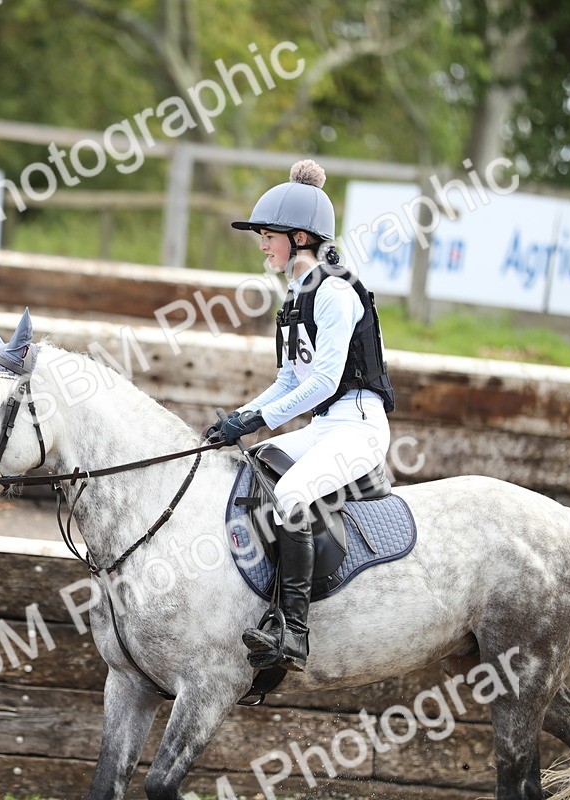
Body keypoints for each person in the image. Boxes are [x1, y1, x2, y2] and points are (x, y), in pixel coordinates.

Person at [205, 159, 395, 672]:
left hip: (358, 426)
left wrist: (254, 420)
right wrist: (239, 419)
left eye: (269, 236)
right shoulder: (296, 295)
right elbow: (289, 380)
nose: (262, 246)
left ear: (300, 237)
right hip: (326, 427)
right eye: (262, 237)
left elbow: (324, 383)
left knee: (288, 495)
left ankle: (294, 630)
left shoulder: (333, 292)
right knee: (254, 466)